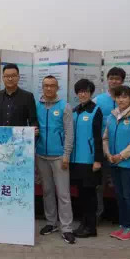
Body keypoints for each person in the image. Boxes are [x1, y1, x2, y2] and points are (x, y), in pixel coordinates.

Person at [103, 85, 130, 241]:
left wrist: (121, 156)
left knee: (129, 195)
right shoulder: (112, 116)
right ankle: (123, 225)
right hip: (114, 162)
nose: (121, 100)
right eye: (118, 97)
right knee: (120, 195)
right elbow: (105, 138)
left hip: (129, 163)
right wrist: (108, 154)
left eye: (124, 97)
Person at [35, 76, 75, 244]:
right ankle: (51, 223)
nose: (49, 88)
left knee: (63, 193)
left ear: (57, 88)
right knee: (47, 191)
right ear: (42, 87)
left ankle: (66, 228)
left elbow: (69, 133)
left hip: (59, 157)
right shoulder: (37, 105)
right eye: (46, 85)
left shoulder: (64, 106)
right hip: (41, 155)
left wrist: (66, 154)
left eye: (52, 86)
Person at [70, 79, 104, 239]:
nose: (83, 94)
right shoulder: (75, 111)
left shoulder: (96, 110)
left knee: (90, 195)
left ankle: (91, 227)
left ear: (91, 93)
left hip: (90, 161)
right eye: (80, 92)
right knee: (81, 195)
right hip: (76, 160)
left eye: (86, 91)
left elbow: (98, 137)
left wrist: (98, 160)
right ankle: (83, 224)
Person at [93, 66, 126, 221]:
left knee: (122, 186)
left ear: (122, 81)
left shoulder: (127, 100)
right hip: (102, 150)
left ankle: (124, 219)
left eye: (117, 79)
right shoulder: (98, 100)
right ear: (107, 80)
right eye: (111, 78)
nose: (114, 81)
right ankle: (97, 215)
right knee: (99, 185)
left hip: (122, 151)